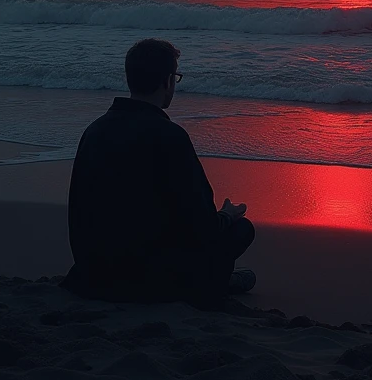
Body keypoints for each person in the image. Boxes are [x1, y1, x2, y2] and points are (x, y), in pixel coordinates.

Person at [62, 39, 255, 307]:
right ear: (167, 81)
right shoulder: (170, 136)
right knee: (242, 229)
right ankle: (211, 285)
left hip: (92, 271)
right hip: (148, 278)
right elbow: (202, 227)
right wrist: (227, 215)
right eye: (175, 77)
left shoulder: (95, 130)